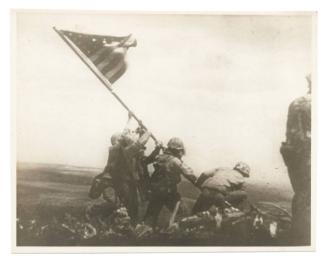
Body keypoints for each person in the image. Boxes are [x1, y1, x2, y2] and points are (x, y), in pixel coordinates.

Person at [280, 74, 311, 245]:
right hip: (308, 157)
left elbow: (291, 140)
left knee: (302, 197)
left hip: (300, 160)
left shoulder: (298, 103)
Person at [143, 137, 198, 228]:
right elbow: (189, 174)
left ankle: (143, 233)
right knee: (182, 212)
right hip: (168, 192)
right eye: (180, 151)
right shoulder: (175, 161)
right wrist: (199, 183)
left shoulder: (159, 157)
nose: (181, 154)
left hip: (155, 191)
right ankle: (175, 232)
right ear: (178, 151)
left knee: (151, 216)